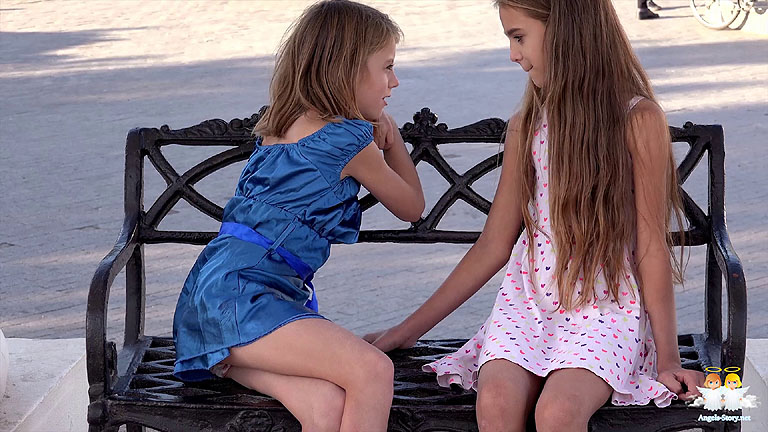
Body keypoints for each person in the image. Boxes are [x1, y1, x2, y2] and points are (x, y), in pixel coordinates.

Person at [364, 0, 704, 430]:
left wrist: (667, 358)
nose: (513, 54)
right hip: (526, 305)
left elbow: (652, 245)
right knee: (496, 401)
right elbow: (493, 245)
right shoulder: (527, 124)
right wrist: (406, 331)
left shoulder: (637, 120)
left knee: (558, 412)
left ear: (566, 29)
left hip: (604, 310)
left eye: (519, 37)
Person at [172, 1, 425, 431]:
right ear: (347, 69)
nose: (394, 81)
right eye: (387, 67)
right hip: (246, 299)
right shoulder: (347, 140)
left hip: (209, 299)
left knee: (325, 406)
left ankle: (228, 360)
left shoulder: (280, 123)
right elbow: (411, 207)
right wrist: (393, 140)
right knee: (373, 370)